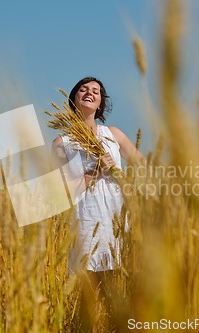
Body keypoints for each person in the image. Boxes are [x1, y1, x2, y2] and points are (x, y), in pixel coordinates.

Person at [51, 77, 144, 275]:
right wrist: (96, 172)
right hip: (86, 224)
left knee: (121, 285)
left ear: (100, 102)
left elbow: (142, 165)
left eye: (95, 91)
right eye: (83, 89)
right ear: (74, 98)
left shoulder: (113, 134)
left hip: (118, 221)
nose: (89, 93)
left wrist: (126, 181)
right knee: (90, 289)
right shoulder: (61, 143)